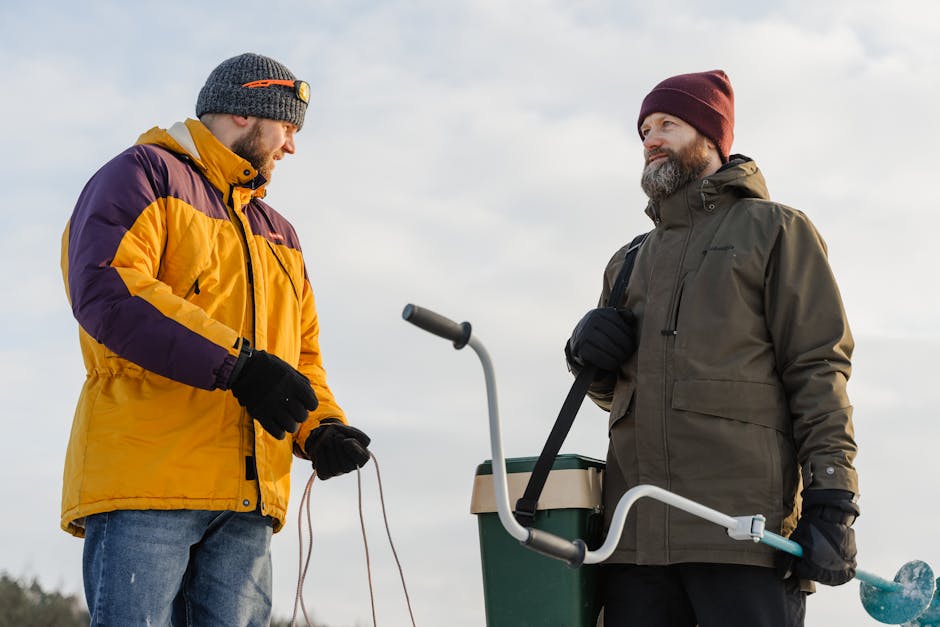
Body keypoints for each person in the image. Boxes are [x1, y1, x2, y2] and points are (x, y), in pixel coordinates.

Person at [60, 52, 372, 626]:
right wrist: (240, 366)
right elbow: (110, 290)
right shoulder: (141, 175)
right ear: (244, 113)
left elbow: (300, 355)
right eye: (288, 127)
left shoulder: (279, 234)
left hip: (249, 502)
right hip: (149, 483)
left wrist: (318, 426)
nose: (292, 147)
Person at [565, 70, 859, 627]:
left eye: (667, 124)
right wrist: (586, 357)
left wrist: (833, 496)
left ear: (710, 137)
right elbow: (616, 395)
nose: (651, 139)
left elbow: (818, 368)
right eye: (644, 129)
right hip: (635, 545)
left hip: (742, 537)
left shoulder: (776, 231)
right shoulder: (629, 260)